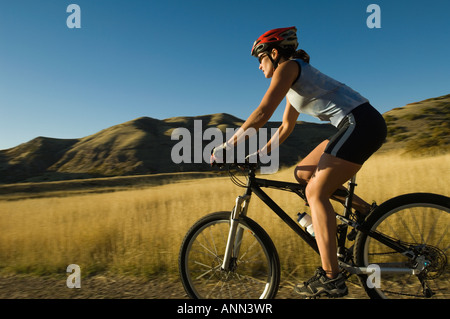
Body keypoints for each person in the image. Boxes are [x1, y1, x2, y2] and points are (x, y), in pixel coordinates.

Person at [211, 26, 387, 298]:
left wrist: (226, 146)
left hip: (360, 124)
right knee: (303, 174)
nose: (259, 67)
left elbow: (261, 112)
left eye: (260, 60)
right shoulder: (294, 80)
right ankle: (365, 210)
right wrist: (256, 157)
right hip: (356, 124)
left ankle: (332, 278)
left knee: (315, 192)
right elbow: (284, 128)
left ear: (273, 53)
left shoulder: (289, 68)